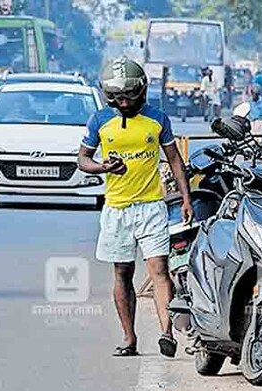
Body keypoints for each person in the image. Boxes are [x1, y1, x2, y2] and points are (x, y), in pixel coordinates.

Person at [78, 57, 194, 359]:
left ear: (141, 91)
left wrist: (185, 198)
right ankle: (129, 338)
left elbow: (174, 160)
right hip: (116, 209)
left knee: (159, 269)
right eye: (117, 97)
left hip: (152, 206)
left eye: (129, 95)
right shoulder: (99, 121)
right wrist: (103, 167)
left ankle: (166, 333)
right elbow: (82, 160)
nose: (124, 101)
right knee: (123, 272)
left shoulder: (158, 119)